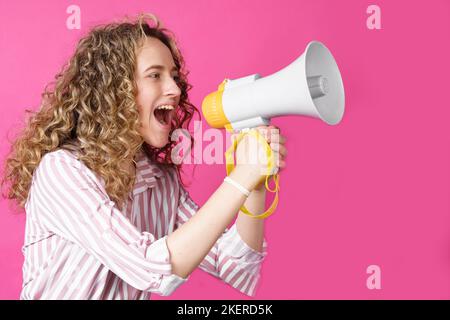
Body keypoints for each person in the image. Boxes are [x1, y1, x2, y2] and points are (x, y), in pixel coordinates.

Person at [0, 13, 287, 300]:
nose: (175, 90)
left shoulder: (160, 180)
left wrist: (255, 184)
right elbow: (151, 268)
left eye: (174, 77)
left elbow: (234, 266)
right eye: (155, 75)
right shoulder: (62, 171)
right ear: (114, 90)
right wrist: (242, 176)